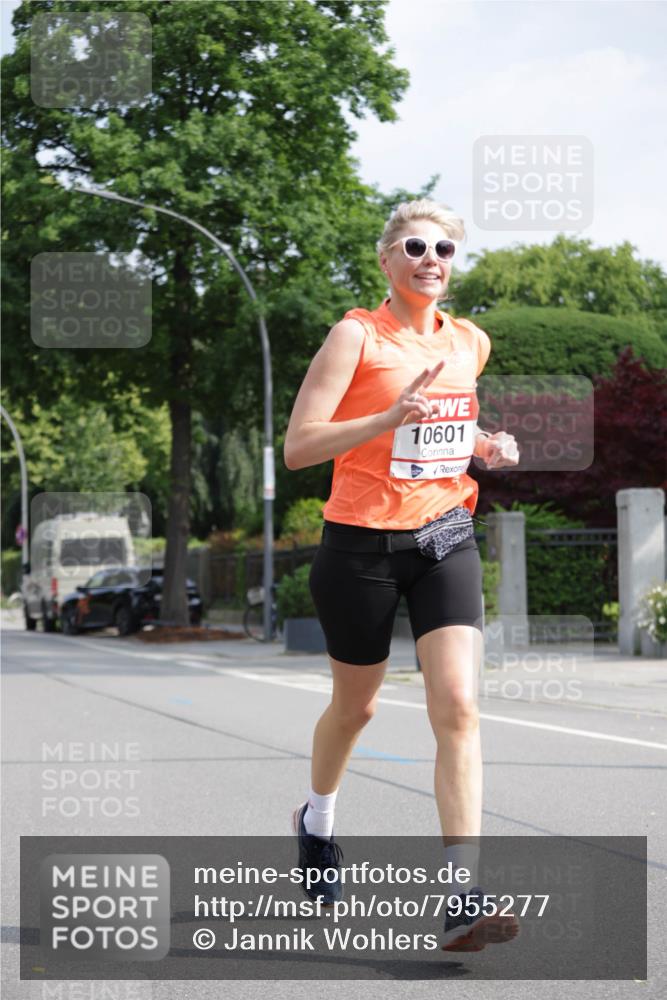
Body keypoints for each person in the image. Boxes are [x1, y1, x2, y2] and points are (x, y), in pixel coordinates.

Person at [283, 198, 520, 952]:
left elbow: (445, 428)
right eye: (415, 245)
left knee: (457, 705)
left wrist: (484, 445)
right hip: (358, 546)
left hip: (445, 533)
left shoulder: (469, 341)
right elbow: (300, 446)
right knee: (355, 713)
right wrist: (386, 419)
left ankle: (460, 893)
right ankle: (316, 822)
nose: (431, 259)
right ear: (386, 258)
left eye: (444, 249)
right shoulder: (356, 335)